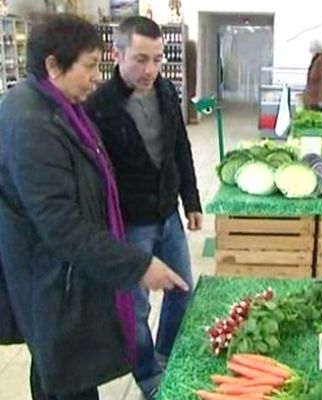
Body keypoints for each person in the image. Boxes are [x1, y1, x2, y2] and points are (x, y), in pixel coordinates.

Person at [0, 14, 188, 400]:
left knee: (64, 374)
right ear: (53, 65)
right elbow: (61, 224)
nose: (95, 77)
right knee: (65, 377)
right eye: (88, 67)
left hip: (64, 276)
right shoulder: (32, 124)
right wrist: (137, 264)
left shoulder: (56, 105)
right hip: (51, 281)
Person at [85, 16, 202, 400]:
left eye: (157, 58)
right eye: (140, 59)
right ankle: (148, 375)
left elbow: (180, 148)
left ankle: (166, 353)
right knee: (134, 309)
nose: (150, 69)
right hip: (130, 225)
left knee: (183, 289)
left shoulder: (167, 90)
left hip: (168, 216)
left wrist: (192, 200)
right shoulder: (98, 106)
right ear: (116, 54)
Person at [304, 39, 322, 112]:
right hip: (314, 99)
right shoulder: (318, 59)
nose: (310, 52)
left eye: (311, 50)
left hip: (318, 101)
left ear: (316, 50)